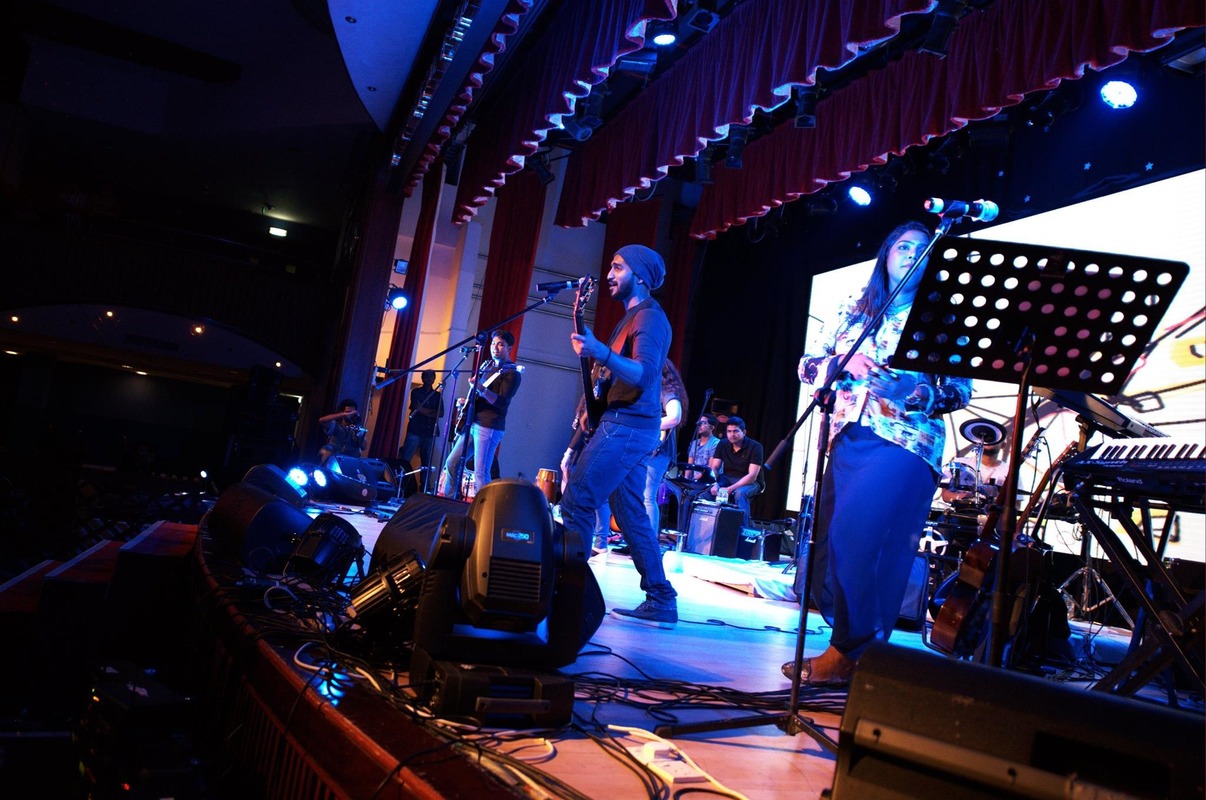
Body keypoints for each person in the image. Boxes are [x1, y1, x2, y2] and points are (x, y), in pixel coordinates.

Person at [792, 221, 973, 686]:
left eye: (921, 249)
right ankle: (856, 653)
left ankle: (851, 652)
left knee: (861, 540)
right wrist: (839, 363)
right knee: (836, 545)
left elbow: (959, 391)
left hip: (905, 443)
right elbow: (807, 366)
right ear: (886, 254)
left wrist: (910, 391)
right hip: (847, 435)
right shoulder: (853, 310)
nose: (911, 254)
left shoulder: (941, 319)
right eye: (903, 246)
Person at [561, 244, 675, 627]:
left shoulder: (650, 319)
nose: (609, 274)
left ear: (639, 276)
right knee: (630, 514)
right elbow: (613, 377)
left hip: (627, 425)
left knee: (576, 502)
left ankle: (571, 599)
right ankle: (661, 597)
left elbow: (644, 374)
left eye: (618, 267)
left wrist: (600, 352)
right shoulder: (630, 319)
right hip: (628, 424)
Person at [442, 330, 522, 498]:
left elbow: (501, 402)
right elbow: (479, 394)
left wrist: (481, 389)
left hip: (489, 426)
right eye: (493, 344)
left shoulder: (512, 374)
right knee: (452, 462)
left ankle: (483, 509)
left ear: (509, 348)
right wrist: (467, 401)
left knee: (481, 473)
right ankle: (451, 500)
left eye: (500, 344)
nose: (495, 348)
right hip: (473, 422)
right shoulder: (487, 366)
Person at [644, 360, 687, 538]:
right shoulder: (654, 390)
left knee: (647, 496)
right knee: (641, 496)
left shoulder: (668, 391)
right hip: (648, 449)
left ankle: (648, 542)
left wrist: (646, 425)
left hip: (658, 451)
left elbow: (674, 417)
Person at [707, 416, 763, 523]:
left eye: (735, 431)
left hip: (750, 481)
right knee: (707, 491)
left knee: (740, 493)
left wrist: (731, 488)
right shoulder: (723, 444)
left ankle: (743, 528)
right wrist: (714, 483)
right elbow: (715, 467)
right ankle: (710, 526)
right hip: (727, 478)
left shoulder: (755, 447)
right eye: (729, 431)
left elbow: (752, 476)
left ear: (744, 432)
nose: (732, 434)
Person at [399, 369, 443, 492]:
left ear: (434, 379)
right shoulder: (416, 392)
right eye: (426, 377)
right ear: (422, 378)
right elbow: (417, 408)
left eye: (431, 377)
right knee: (406, 458)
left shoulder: (437, 395)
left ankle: (424, 487)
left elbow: (441, 413)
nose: (428, 379)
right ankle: (401, 484)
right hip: (415, 429)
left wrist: (424, 410)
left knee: (427, 462)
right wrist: (431, 412)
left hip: (429, 431)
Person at [941, 443, 1009, 504]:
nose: (990, 441)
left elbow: (1013, 503)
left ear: (1003, 445)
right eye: (987, 438)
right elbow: (945, 495)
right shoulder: (959, 463)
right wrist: (964, 497)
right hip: (961, 511)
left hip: (992, 513)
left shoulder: (1009, 471)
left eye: (994, 438)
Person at [318, 398, 367, 465]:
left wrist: (358, 433)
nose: (350, 415)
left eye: (352, 412)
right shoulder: (336, 425)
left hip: (349, 462)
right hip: (334, 460)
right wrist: (344, 414)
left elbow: (364, 447)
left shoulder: (357, 428)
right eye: (348, 412)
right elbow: (322, 420)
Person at [686, 413, 721, 482]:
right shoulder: (694, 443)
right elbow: (689, 466)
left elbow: (711, 468)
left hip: (707, 479)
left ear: (711, 427)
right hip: (694, 481)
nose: (699, 425)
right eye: (699, 423)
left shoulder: (716, 443)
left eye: (703, 423)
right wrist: (686, 480)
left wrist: (695, 480)